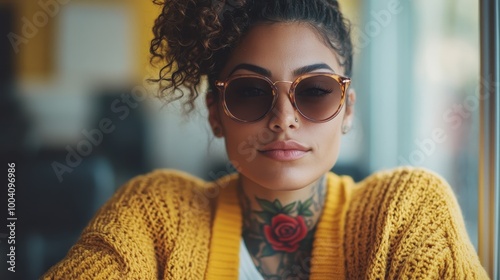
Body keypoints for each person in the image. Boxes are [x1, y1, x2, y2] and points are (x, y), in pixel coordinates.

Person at [43, 0, 489, 279]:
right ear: (216, 114)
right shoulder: (154, 214)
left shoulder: (407, 212)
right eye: (250, 92)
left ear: (347, 108)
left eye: (315, 91)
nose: (283, 120)